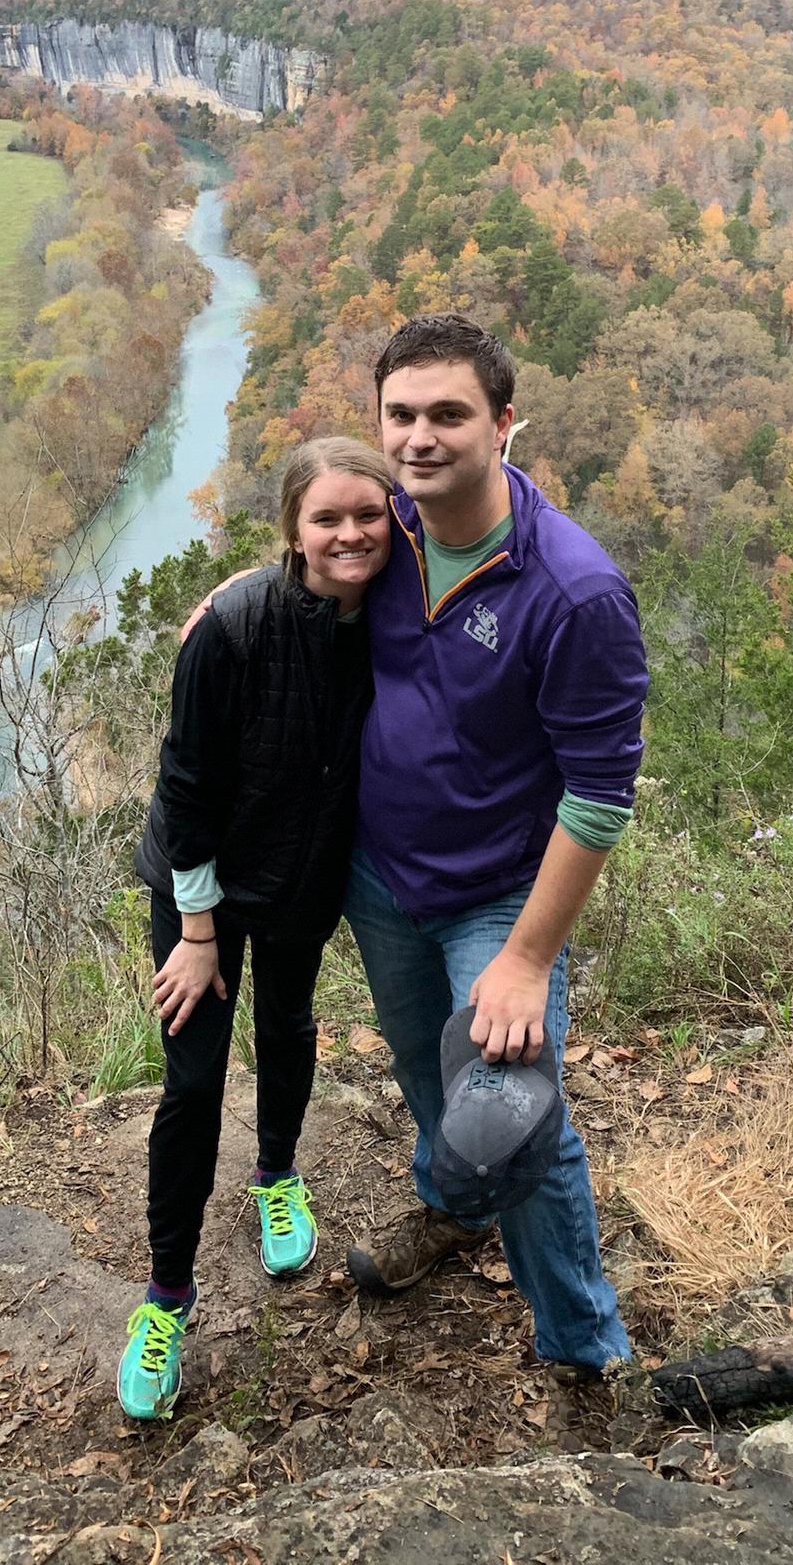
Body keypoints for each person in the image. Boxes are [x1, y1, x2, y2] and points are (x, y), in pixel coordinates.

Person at [342, 313, 648, 1382]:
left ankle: (583, 1349)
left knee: (517, 1120)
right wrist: (226, 604)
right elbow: (301, 564)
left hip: (496, 898)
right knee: (431, 1073)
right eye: (401, 414)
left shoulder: (573, 589)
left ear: (503, 422)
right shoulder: (382, 531)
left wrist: (522, 958)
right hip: (380, 873)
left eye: (449, 414)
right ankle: (449, 1204)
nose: (420, 437)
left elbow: (603, 794)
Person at [118, 435, 394, 1422]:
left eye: (368, 513)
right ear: (293, 532)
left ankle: (277, 1172)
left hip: (302, 872)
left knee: (285, 1022)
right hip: (201, 882)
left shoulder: (400, 609)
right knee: (191, 1082)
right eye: (326, 518)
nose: (350, 532)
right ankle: (166, 1297)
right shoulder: (231, 626)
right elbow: (183, 787)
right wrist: (196, 930)